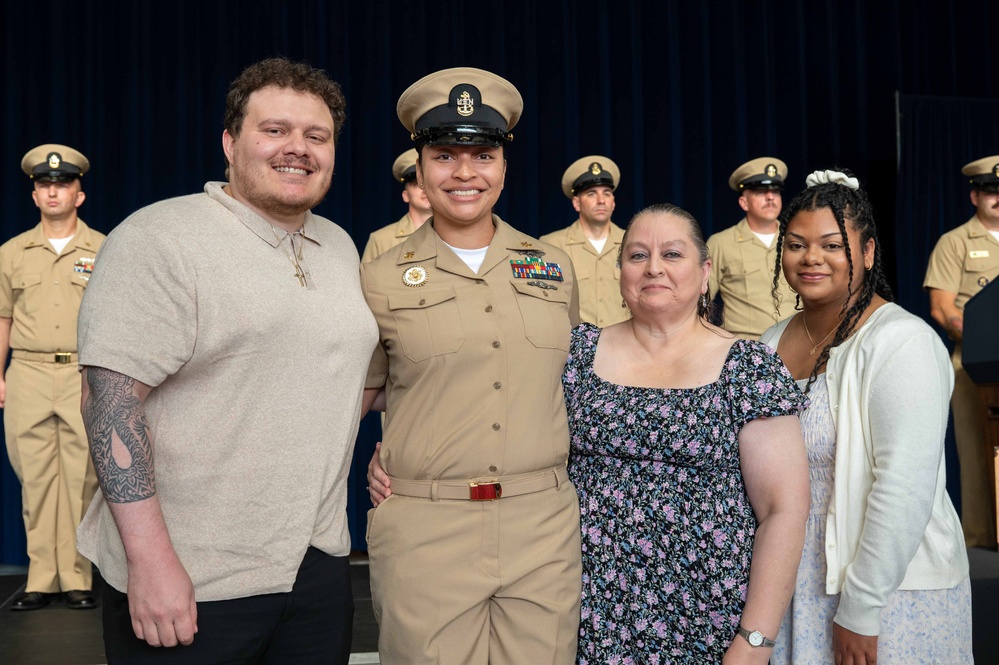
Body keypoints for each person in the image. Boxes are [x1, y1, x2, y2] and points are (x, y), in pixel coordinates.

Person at [76, 57, 377, 663]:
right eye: (275, 130)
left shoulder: (340, 246)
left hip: (314, 570)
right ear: (230, 142)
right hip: (192, 578)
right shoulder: (161, 236)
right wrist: (151, 563)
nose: (297, 149)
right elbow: (109, 404)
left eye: (316, 136)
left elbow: (348, 384)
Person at [361, 67, 582, 665]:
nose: (464, 173)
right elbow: (358, 395)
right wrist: (388, 456)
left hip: (542, 526)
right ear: (420, 165)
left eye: (482, 154)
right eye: (445, 155)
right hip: (427, 527)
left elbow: (569, 387)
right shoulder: (378, 278)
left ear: (504, 165)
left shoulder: (554, 268)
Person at [564, 203, 810, 664]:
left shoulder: (748, 365)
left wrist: (756, 640)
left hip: (709, 622)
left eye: (672, 254)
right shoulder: (576, 354)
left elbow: (784, 510)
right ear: (620, 273)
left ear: (704, 273)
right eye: (637, 256)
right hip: (584, 617)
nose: (653, 267)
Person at [762, 169, 972, 664]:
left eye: (833, 245)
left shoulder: (902, 342)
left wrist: (861, 609)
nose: (812, 257)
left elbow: (903, 487)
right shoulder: (767, 345)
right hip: (796, 584)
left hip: (887, 593)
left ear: (870, 252)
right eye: (796, 244)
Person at [0, 144, 105, 611]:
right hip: (28, 373)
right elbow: (2, 318)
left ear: (79, 194)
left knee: (83, 479)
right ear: (35, 195)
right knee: (36, 478)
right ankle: (42, 577)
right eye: (45, 184)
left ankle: (79, 575)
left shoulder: (104, 249)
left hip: (83, 373)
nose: (54, 191)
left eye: (63, 184)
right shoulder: (11, 253)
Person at [925, 154, 999, 549]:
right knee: (977, 457)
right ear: (975, 195)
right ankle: (982, 545)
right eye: (990, 191)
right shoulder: (955, 242)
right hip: (975, 367)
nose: (997, 198)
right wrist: (986, 342)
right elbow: (942, 307)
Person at [707, 157, 796, 339]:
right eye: (761, 192)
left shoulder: (796, 240)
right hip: (745, 349)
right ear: (744, 202)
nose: (770, 197)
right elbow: (701, 301)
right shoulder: (721, 243)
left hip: (795, 343)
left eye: (775, 192)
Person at [541, 155, 630, 326]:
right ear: (576, 203)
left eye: (607, 193)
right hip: (574, 347)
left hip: (624, 345)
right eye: (591, 194)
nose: (601, 200)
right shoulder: (553, 245)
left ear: (613, 202)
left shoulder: (632, 244)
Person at [360, 148, 433, 262]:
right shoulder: (381, 240)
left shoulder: (459, 235)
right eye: (417, 184)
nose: (424, 189)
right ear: (405, 195)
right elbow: (368, 280)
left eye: (429, 183)